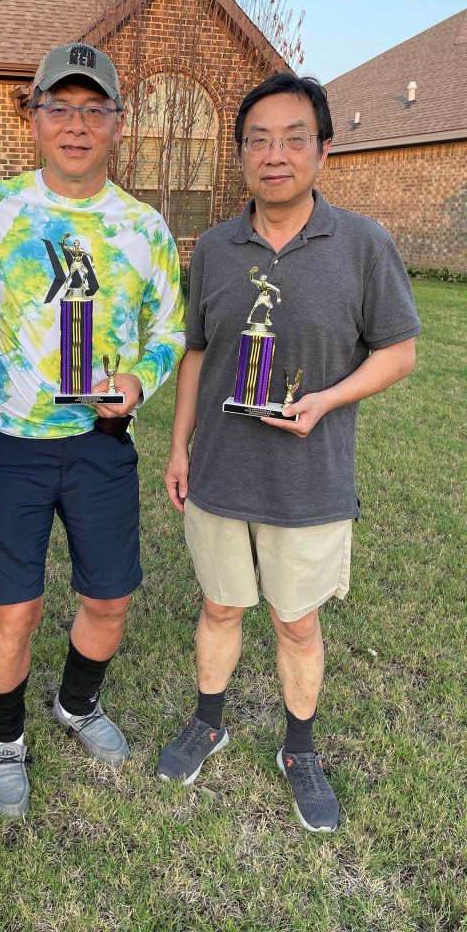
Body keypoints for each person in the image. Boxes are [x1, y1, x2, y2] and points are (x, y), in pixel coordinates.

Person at [159, 74, 420, 834]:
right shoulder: (215, 248)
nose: (275, 155)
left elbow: (398, 353)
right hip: (219, 473)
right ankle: (209, 720)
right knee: (219, 606)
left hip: (310, 479)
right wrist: (178, 448)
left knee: (296, 623)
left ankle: (299, 749)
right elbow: (197, 354)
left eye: (293, 138)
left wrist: (327, 400)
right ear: (241, 153)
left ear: (323, 150)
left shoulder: (363, 245)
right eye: (259, 140)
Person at [0, 43, 185, 816]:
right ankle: (3, 741)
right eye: (60, 106)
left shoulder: (144, 227)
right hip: (9, 444)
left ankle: (77, 703)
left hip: (100, 444)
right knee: (15, 610)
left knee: (109, 598)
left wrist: (137, 381)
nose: (77, 125)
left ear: (120, 123)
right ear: (34, 118)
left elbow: (170, 328)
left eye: (95, 109)